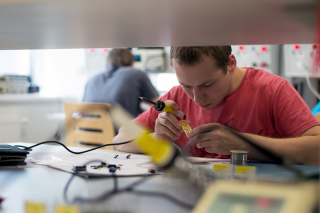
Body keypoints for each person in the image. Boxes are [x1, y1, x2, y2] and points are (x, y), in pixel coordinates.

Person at [112, 46, 320, 165]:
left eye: (207, 84)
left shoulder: (272, 90)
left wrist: (241, 144)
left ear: (230, 64)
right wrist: (158, 140)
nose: (197, 98)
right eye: (186, 85)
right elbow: (119, 139)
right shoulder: (176, 98)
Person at [83, 48, 159, 117]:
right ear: (132, 63)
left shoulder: (91, 80)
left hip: (85, 131)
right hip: (120, 131)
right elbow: (158, 105)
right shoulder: (137, 73)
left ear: (108, 63)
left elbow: (81, 111)